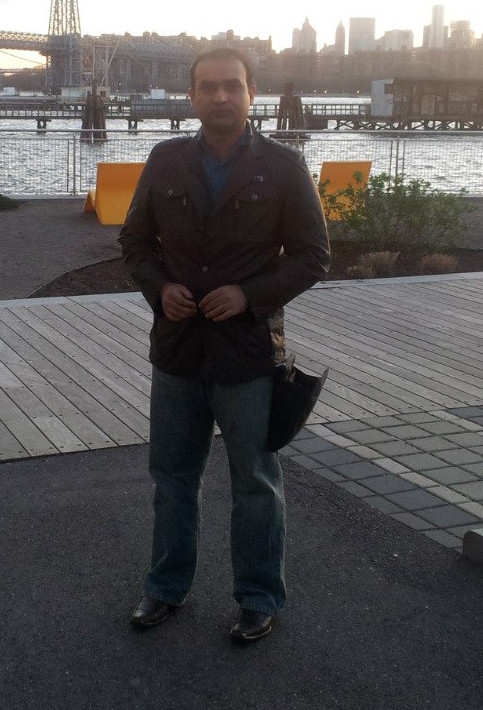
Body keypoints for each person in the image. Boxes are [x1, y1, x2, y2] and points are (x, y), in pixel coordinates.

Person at [118, 47, 330, 644]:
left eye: (232, 86)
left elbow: (313, 256)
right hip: (179, 349)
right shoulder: (165, 160)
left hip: (246, 353)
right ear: (191, 96)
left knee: (255, 481)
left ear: (251, 93)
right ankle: (165, 587)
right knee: (172, 478)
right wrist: (160, 290)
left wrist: (249, 295)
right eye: (208, 86)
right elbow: (135, 243)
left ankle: (259, 597)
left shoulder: (283, 165)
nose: (220, 96)